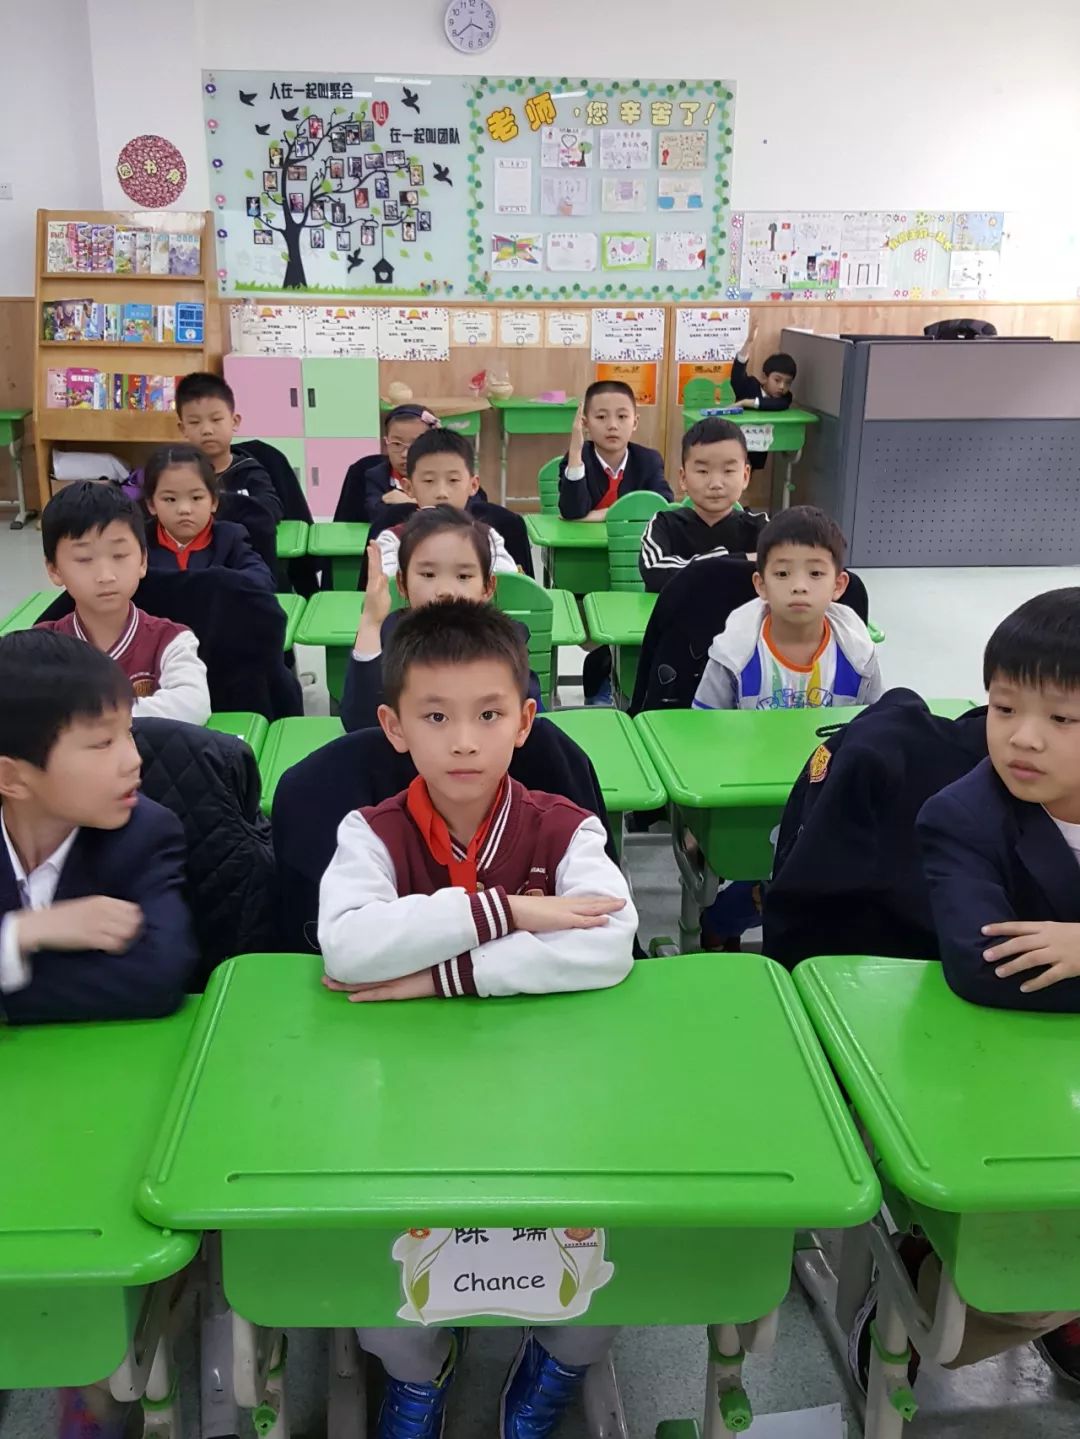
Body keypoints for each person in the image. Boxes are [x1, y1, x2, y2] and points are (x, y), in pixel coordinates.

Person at [318, 600, 635, 1439]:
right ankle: (421, 1372)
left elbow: (610, 944)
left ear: (525, 721)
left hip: (547, 1098)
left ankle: (556, 1362)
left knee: (598, 1279)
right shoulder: (369, 833)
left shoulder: (565, 827)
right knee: (387, 1299)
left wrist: (442, 975)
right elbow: (347, 947)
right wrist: (512, 912)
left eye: (488, 715)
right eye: (435, 717)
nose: (464, 740)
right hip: (406, 1104)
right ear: (393, 726)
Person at [844, 594, 1080, 1394]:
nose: (1023, 736)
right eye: (1005, 707)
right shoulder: (963, 815)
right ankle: (924, 1285)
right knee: (1015, 1273)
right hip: (993, 1071)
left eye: (1061, 718)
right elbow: (986, 968)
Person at [0, 632, 198, 1438]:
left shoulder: (144, 832)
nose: (132, 759)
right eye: (100, 743)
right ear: (13, 775)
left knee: (83, 1308)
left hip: (105, 1107)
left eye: (128, 732)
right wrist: (30, 933)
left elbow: (156, 977)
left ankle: (92, 1392)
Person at [341, 506, 541, 732]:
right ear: (402, 583)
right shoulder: (388, 634)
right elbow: (359, 724)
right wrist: (370, 621)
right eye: (428, 575)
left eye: (463, 576)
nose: (445, 590)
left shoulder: (506, 640)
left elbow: (529, 723)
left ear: (487, 586)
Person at [36, 481, 211, 726]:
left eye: (119, 555)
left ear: (143, 561)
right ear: (54, 570)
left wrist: (83, 716)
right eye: (84, 559)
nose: (106, 576)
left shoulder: (171, 640)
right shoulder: (40, 648)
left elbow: (194, 705)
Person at [693, 505, 881, 711]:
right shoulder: (732, 652)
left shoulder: (858, 653)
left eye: (815, 573)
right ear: (761, 585)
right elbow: (706, 723)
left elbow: (878, 721)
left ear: (838, 585)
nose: (799, 586)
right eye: (782, 574)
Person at [639, 418, 768, 592]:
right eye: (703, 471)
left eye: (728, 471)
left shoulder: (761, 527)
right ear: (683, 478)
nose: (715, 484)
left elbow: (777, 569)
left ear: (745, 476)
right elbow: (655, 572)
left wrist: (699, 571)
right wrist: (741, 559)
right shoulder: (663, 524)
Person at [371, 429, 518, 580]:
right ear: (409, 488)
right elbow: (387, 584)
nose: (442, 493)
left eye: (453, 480)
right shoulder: (393, 540)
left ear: (473, 485)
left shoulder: (488, 538)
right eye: (429, 481)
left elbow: (509, 582)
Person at [142, 444, 274, 586]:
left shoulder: (229, 538)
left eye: (196, 498)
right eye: (170, 499)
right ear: (151, 505)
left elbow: (262, 580)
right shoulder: (139, 541)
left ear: (214, 501)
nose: (184, 509)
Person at [174, 371, 284, 525]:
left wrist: (217, 504)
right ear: (182, 429)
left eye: (216, 419)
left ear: (235, 422)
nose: (207, 430)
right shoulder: (176, 475)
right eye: (194, 422)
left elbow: (272, 510)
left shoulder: (250, 473)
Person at [558, 380, 670, 521]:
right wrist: (575, 451)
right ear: (585, 424)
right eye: (601, 417)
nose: (612, 425)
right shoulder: (577, 458)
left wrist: (603, 515)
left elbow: (663, 505)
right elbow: (572, 512)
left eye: (622, 416)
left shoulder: (649, 461)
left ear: (635, 422)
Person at [336, 403, 440, 522]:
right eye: (396, 444)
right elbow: (376, 513)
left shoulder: (444, 475)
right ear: (386, 444)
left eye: (416, 445)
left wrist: (411, 502)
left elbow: (451, 513)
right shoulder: (373, 473)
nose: (405, 454)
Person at [730, 325, 797, 472]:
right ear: (765, 377)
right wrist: (748, 343)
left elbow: (777, 404)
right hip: (735, 445)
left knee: (749, 473)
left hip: (757, 449)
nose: (782, 387)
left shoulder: (785, 398)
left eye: (787, 383)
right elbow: (737, 377)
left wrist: (747, 402)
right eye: (777, 380)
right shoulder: (750, 386)